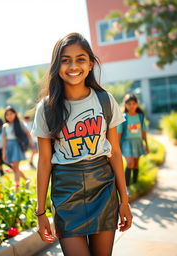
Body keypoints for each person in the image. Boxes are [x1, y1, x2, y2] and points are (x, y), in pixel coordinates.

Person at [32, 32, 132, 256]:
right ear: (56, 66)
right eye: (65, 60)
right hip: (67, 193)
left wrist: (124, 200)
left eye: (80, 59)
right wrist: (41, 213)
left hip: (103, 189)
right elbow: (45, 162)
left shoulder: (105, 100)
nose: (73, 66)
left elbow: (115, 153)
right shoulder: (46, 108)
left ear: (90, 64)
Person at [117, 94, 149, 194]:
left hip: (138, 142)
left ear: (137, 104)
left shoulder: (140, 116)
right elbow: (119, 133)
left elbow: (143, 132)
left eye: (133, 104)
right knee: (130, 163)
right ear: (125, 105)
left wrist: (146, 145)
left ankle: (135, 183)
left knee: (135, 164)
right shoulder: (123, 117)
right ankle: (127, 187)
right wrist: (117, 147)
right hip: (127, 143)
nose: (131, 106)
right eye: (129, 104)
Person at [2, 106, 36, 188]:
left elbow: (28, 133)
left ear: (15, 114)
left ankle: (17, 187)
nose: (9, 116)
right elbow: (4, 140)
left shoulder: (19, 123)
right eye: (7, 114)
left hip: (17, 146)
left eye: (11, 114)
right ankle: (26, 179)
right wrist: (3, 152)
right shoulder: (5, 126)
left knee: (15, 167)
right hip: (9, 146)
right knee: (14, 168)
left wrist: (32, 144)